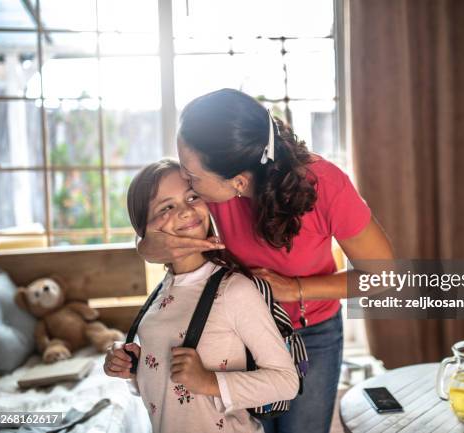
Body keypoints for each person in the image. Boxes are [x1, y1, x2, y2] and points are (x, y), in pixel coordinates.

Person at [138, 89, 394, 433]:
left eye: (193, 176)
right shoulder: (208, 191)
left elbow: (384, 277)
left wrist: (296, 289)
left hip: (311, 334)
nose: (187, 182)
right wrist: (146, 249)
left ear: (238, 181)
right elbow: (156, 234)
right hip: (235, 334)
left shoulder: (326, 185)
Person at [104, 158, 299, 433]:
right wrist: (132, 368)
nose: (185, 211)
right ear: (145, 232)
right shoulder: (161, 294)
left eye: (192, 196)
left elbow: (286, 382)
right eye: (166, 207)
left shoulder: (234, 290)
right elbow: (166, 388)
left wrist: (208, 382)